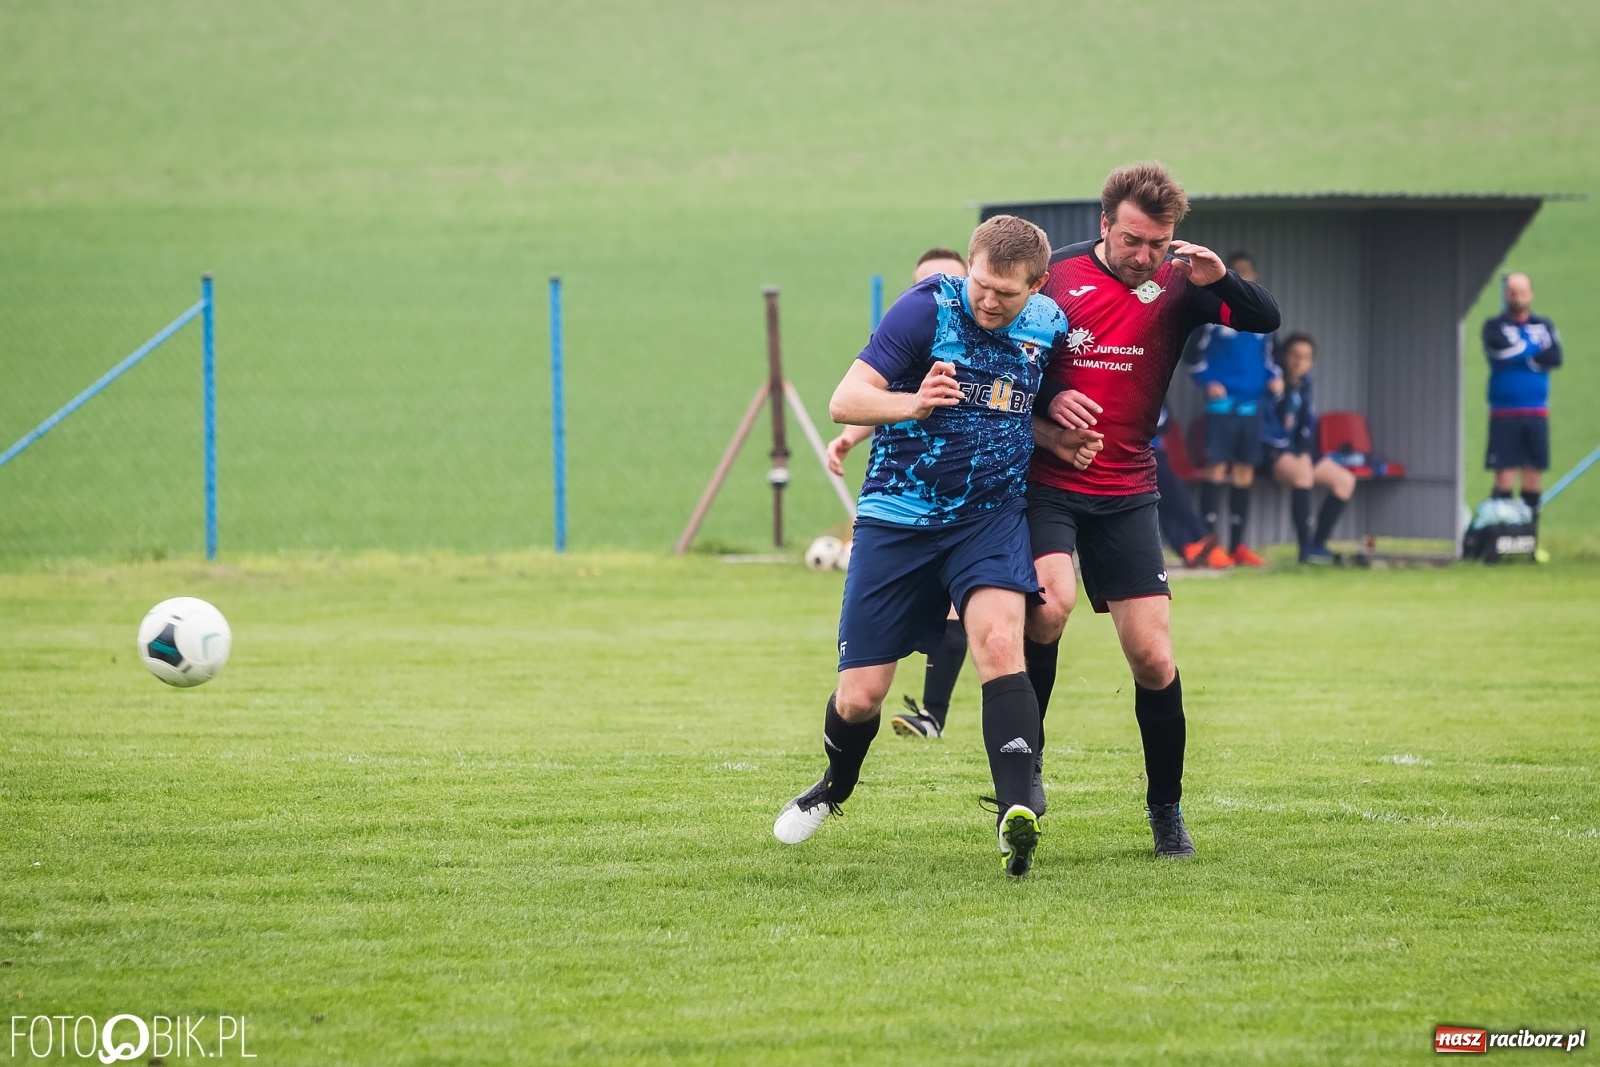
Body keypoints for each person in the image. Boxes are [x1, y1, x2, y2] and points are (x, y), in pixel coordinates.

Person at [774, 215, 1096, 877]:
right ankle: (835, 786)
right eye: (979, 284)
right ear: (968, 269)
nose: (987, 301)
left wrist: (1059, 433)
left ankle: (1016, 816)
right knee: (862, 694)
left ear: (1035, 286)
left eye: (1005, 293)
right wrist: (912, 403)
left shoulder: (1048, 326)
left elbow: (1015, 401)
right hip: (897, 518)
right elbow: (845, 397)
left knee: (1002, 643)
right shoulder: (927, 308)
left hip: (988, 518)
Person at [1026, 162, 1281, 858]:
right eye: (1135, 240)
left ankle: (1166, 809)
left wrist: (1220, 280)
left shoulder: (1181, 282)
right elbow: (1008, 360)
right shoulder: (1054, 274)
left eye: (1159, 243)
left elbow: (1265, 318)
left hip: (1127, 489)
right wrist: (1049, 403)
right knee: (1049, 607)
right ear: (1104, 223)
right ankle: (1026, 773)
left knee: (1153, 655)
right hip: (1047, 481)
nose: (1146, 256)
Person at [825, 247, 972, 741]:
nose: (932, 294)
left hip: (974, 508)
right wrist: (849, 437)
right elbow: (881, 399)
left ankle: (934, 713)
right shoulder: (911, 339)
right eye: (921, 285)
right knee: (862, 687)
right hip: (905, 506)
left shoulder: (988, 345)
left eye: (945, 282)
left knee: (964, 607)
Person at [1183, 251, 1279, 567]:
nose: (1243, 279)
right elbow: (1192, 357)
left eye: (1247, 274)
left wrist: (1274, 379)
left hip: (1253, 406)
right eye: (1236, 273)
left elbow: (1269, 362)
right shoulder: (1214, 313)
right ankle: (1210, 546)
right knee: (1217, 469)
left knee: (1244, 472)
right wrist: (1207, 381)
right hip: (1223, 406)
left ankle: (1238, 546)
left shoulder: (1261, 318)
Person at [1262, 333, 1354, 564]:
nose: (1299, 362)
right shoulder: (1271, 382)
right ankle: (1305, 551)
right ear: (1283, 357)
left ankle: (1318, 545)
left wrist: (1303, 451)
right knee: (1303, 474)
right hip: (1271, 454)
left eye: (1305, 357)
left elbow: (1306, 424)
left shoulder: (1306, 383)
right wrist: (1280, 393)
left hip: (1298, 452)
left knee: (1344, 481)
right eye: (1294, 355)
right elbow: (1267, 427)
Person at [1483, 273, 1562, 521]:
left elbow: (1555, 357)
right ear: (1505, 295)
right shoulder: (1494, 327)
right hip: (1504, 413)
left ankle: (1529, 538)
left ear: (1531, 294)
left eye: (1522, 292)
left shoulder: (1544, 325)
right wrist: (1534, 350)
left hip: (1536, 412)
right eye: (1512, 292)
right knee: (1504, 473)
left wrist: (1524, 353)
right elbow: (1501, 352)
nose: (1517, 297)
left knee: (1533, 474)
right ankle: (1501, 533)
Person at [1153, 404, 1228, 568]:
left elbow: (1164, 422)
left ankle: (1189, 548)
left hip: (1155, 452)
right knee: (1176, 496)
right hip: (1135, 455)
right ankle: (1202, 538)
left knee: (1164, 505)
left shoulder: (1154, 389)